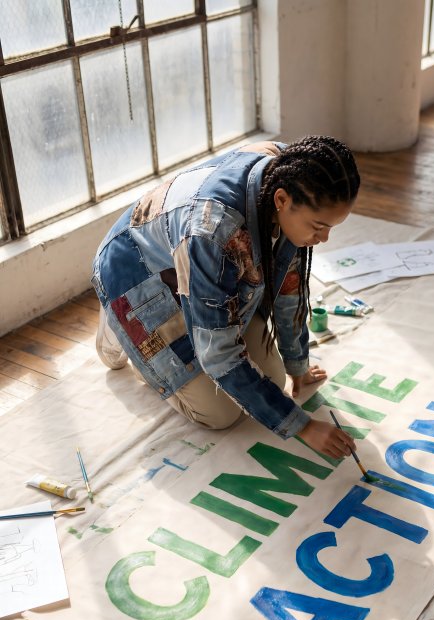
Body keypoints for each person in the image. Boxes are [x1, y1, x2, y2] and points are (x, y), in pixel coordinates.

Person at [92, 135, 359, 460]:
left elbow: (290, 285)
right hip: (138, 276)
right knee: (218, 414)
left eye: (331, 227)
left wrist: (297, 364)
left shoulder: (295, 171)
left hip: (196, 266)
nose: (325, 238)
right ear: (281, 200)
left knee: (273, 381)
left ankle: (175, 331)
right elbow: (219, 357)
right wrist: (303, 427)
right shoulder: (214, 232)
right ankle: (120, 331)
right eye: (318, 227)